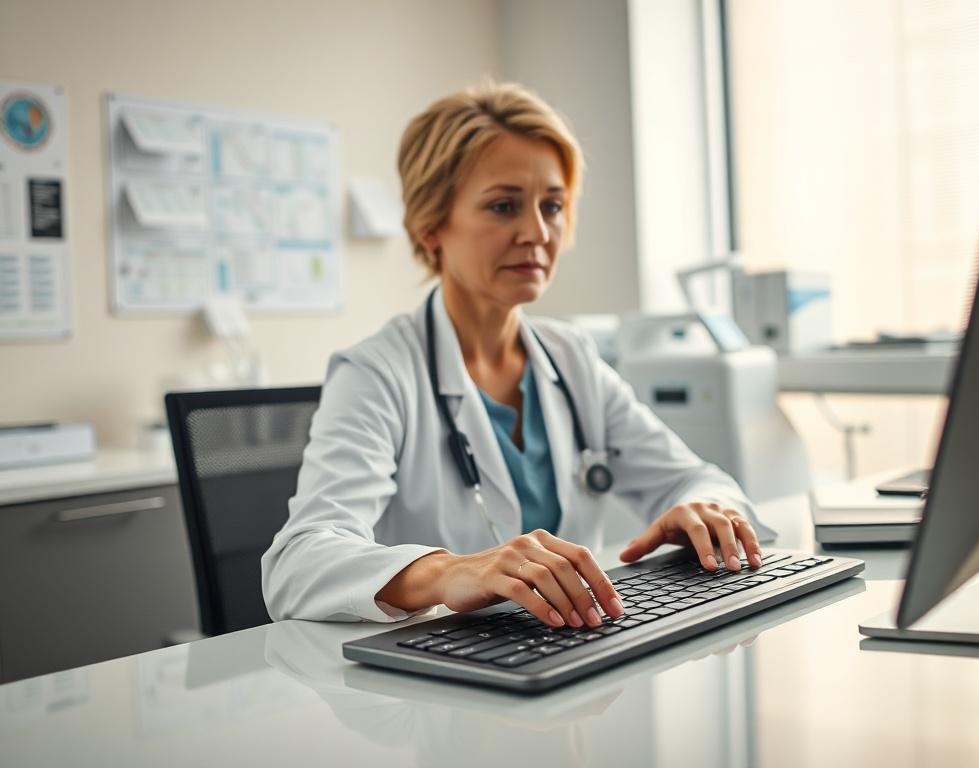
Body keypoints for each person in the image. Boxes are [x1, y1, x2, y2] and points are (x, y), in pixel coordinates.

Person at [262, 82, 763, 631]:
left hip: (569, 658)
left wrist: (702, 509)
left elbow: (695, 480)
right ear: (431, 226)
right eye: (504, 207)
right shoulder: (378, 373)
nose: (537, 232)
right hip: (434, 687)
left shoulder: (570, 358)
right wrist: (449, 572)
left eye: (552, 205)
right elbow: (298, 562)